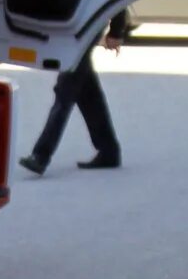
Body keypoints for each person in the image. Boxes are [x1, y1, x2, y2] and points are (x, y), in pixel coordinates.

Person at [20, 11, 127, 174]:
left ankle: (41, 155)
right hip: (75, 22)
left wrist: (116, 30)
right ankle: (108, 150)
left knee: (66, 90)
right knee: (87, 90)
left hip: (89, 21)